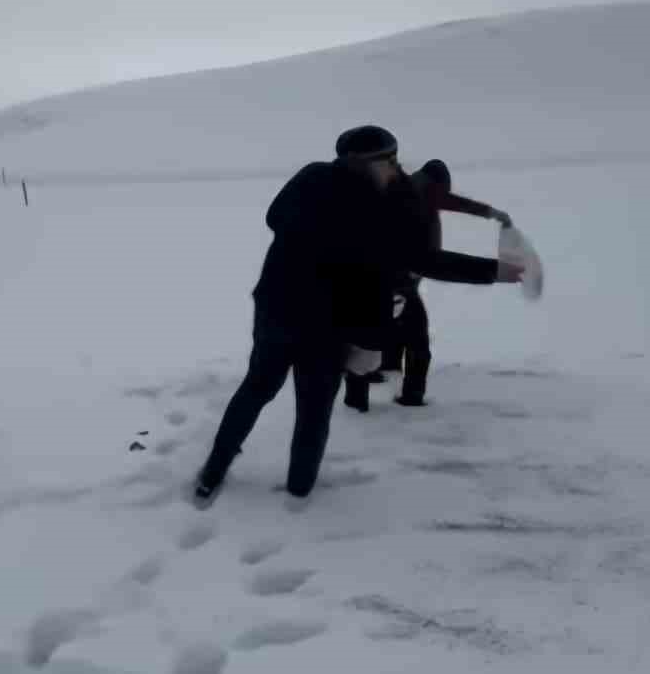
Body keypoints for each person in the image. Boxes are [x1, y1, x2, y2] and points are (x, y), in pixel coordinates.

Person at [193, 128, 522, 506]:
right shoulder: (374, 208)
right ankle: (289, 490)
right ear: (361, 163)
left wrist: (492, 270)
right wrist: (495, 271)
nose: (397, 169)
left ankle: (217, 473)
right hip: (317, 326)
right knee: (306, 408)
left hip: (278, 313)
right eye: (390, 162)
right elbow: (423, 259)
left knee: (260, 392)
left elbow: (276, 217)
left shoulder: (312, 178)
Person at [346, 158, 515, 410]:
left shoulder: (419, 190)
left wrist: (490, 212)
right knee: (413, 336)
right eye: (443, 189)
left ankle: (379, 374)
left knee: (386, 324)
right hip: (403, 273)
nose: (445, 195)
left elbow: (457, 203)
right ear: (436, 184)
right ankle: (406, 395)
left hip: (399, 273)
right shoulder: (414, 197)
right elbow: (417, 248)